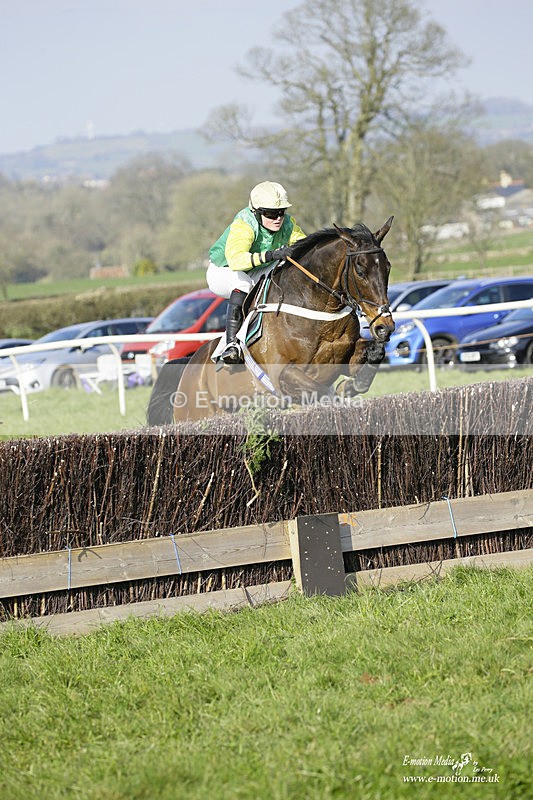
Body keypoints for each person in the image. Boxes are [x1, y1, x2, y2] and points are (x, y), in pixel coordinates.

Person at [206, 181, 306, 364]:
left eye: (281, 212)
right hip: (224, 271)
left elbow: (306, 247)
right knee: (243, 284)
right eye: (270, 213)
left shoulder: (288, 224)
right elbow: (237, 261)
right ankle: (231, 346)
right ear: (257, 212)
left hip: (256, 268)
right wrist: (271, 255)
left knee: (285, 270)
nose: (277, 218)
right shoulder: (244, 224)